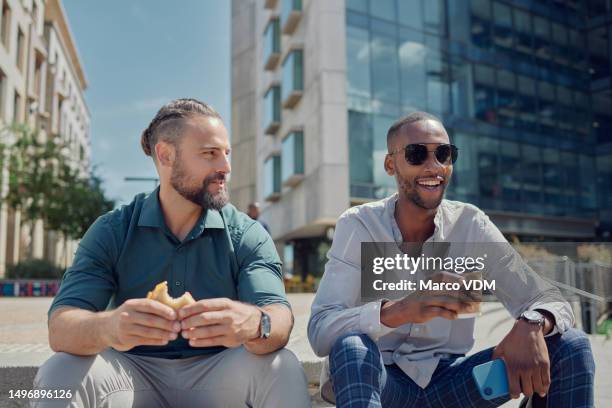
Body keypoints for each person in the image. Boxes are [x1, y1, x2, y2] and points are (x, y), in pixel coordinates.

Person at [33, 99, 310, 408]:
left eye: (226, 154)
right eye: (209, 154)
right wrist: (109, 326)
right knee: (58, 371)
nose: (225, 167)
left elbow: (279, 317)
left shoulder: (247, 234)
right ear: (165, 155)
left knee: (282, 366)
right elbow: (60, 328)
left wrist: (256, 323)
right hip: (130, 373)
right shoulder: (112, 230)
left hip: (222, 372)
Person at [307, 111, 595, 407]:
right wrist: (398, 311)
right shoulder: (359, 225)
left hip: (455, 385)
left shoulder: (471, 225)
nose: (434, 167)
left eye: (444, 154)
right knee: (352, 347)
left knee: (571, 345)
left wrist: (532, 322)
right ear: (390, 164)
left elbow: (548, 298)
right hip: (381, 382)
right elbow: (320, 329)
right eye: (417, 154)